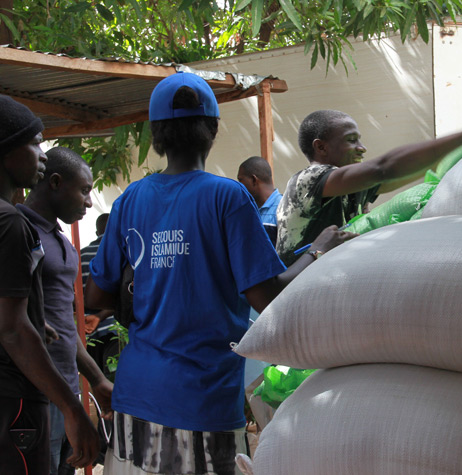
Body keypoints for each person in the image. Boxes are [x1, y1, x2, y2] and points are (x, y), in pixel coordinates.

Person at [84, 72, 353, 475]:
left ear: (155, 134)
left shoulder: (129, 201)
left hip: (136, 395)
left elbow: (96, 299)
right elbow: (267, 298)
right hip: (201, 400)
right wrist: (318, 251)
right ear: (212, 129)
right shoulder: (226, 196)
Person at [0, 95, 99, 474]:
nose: (42, 154)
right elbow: (12, 329)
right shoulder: (12, 224)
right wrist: (72, 408)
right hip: (21, 396)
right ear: (7, 152)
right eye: (34, 143)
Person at [276, 109, 462, 265]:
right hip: (295, 282)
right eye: (351, 140)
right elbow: (384, 168)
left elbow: (412, 170)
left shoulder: (351, 188)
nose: (362, 147)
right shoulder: (307, 180)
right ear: (321, 148)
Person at [18, 146, 113, 475]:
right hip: (31, 395)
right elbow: (16, 326)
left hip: (65, 391)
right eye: (85, 190)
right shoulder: (19, 231)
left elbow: (62, 326)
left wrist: (96, 379)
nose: (89, 201)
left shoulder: (61, 241)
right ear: (55, 182)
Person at [237, 156, 282, 246]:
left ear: (254, 180)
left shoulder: (283, 208)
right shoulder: (246, 210)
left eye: (240, 180)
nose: (238, 186)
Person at [80, 213, 112, 335]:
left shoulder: (80, 254)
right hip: (112, 327)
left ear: (96, 233)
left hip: (86, 327)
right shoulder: (118, 252)